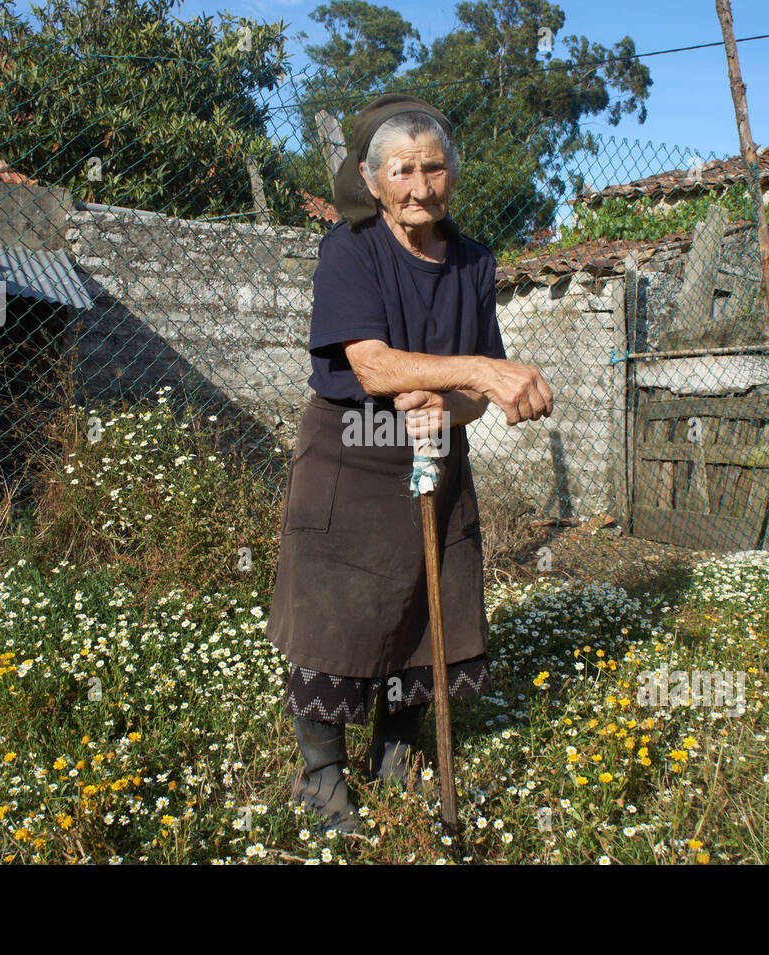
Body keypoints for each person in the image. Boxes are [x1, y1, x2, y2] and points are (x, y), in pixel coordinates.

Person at [265, 93, 554, 833]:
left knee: (432, 610)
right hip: (350, 457)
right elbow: (372, 367)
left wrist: (451, 400)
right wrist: (480, 372)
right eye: (402, 170)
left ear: (452, 173)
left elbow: (471, 404)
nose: (421, 186)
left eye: (434, 167)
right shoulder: (350, 249)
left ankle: (396, 750)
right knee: (334, 614)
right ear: (371, 180)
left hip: (434, 455)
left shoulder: (474, 260)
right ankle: (322, 776)